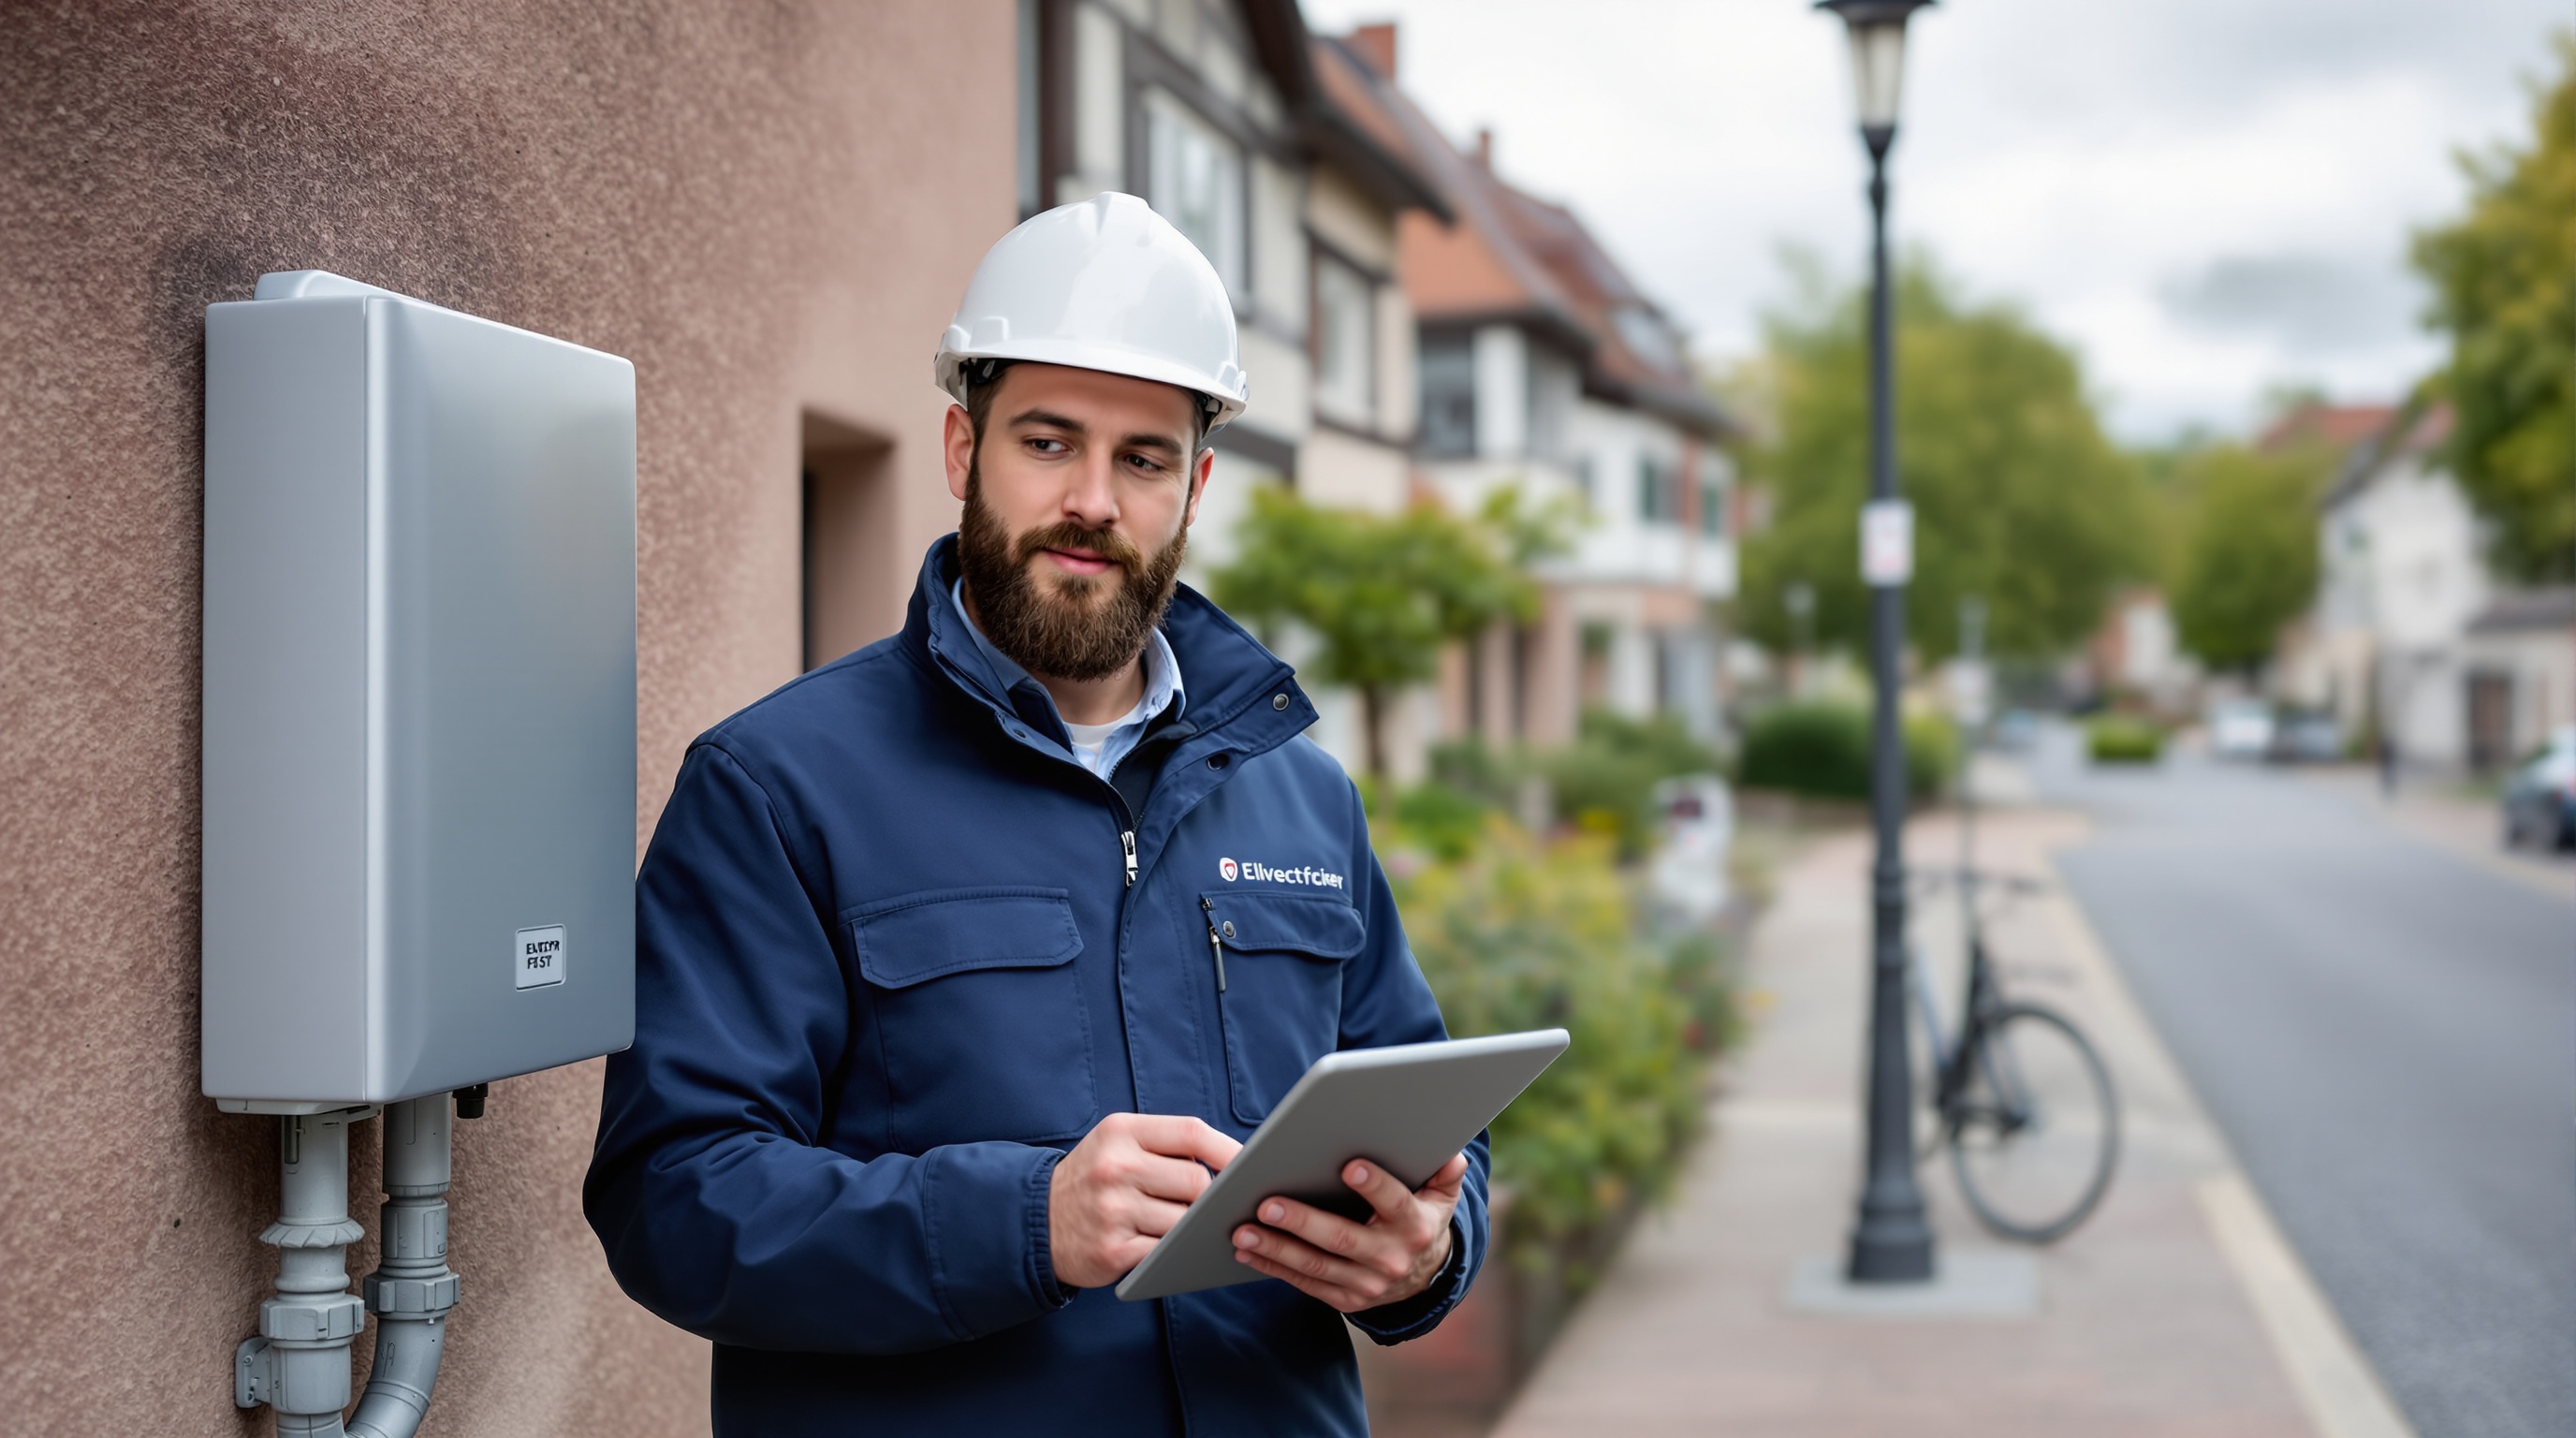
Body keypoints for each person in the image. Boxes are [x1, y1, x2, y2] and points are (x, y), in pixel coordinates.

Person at [585, 193, 1487, 1436]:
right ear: (964, 452)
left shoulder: (1303, 795)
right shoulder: (777, 787)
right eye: (1049, 442)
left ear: (1197, 483)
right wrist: (1025, 1224)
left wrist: (1429, 1256)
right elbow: (673, 1200)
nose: (1094, 503)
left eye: (1143, 458)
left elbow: (1428, 1131)